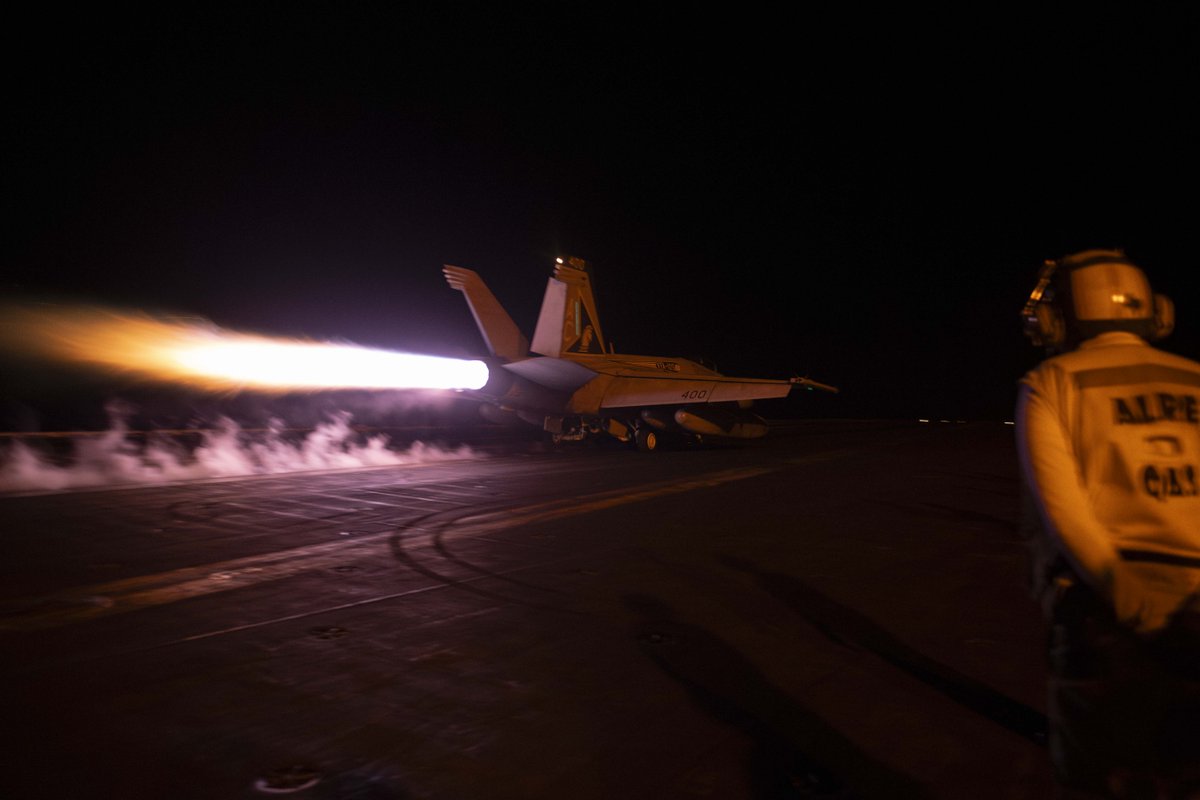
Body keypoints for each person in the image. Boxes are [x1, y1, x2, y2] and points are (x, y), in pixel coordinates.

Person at [1016, 249, 1200, 798]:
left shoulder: (1051, 382)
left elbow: (1063, 513)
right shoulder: (1194, 379)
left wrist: (1133, 600)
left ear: (1061, 316)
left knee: (1099, 776)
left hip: (1105, 614)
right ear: (1155, 311)